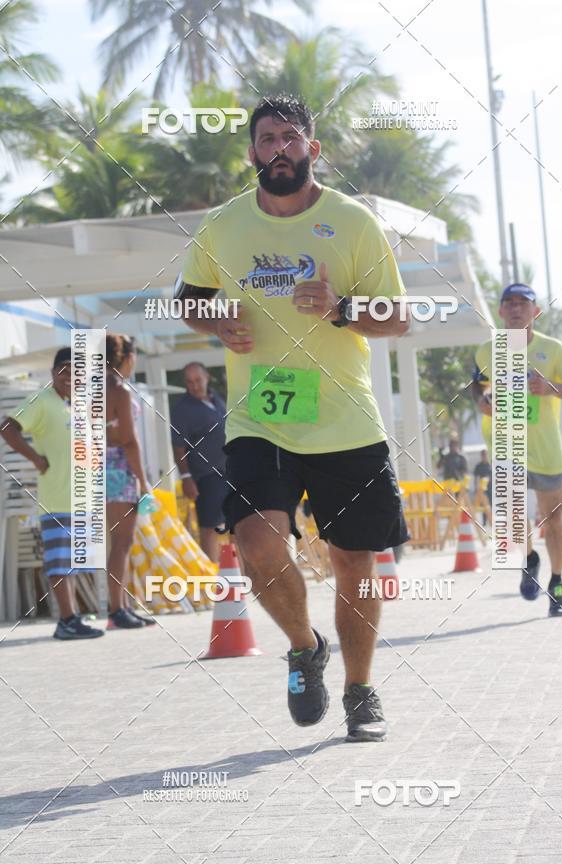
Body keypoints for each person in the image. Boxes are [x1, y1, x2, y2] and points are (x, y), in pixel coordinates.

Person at [176, 94, 411, 742]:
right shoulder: (223, 226)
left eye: (289, 137)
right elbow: (189, 301)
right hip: (262, 417)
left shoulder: (354, 222)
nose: (277, 148)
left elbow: (398, 316)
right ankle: (305, 647)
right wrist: (216, 321)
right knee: (255, 544)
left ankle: (359, 690)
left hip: (344, 419)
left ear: (312, 148)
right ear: (252, 152)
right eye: (266, 139)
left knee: (354, 563)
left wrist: (342, 309)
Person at [472, 283, 562, 616]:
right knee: (514, 516)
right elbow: (477, 387)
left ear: (535, 311)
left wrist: (551, 388)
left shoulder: (553, 350)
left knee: (554, 520)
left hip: (546, 450)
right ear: (500, 311)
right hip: (506, 448)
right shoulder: (486, 351)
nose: (515, 309)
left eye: (523, 303)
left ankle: (557, 581)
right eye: (509, 303)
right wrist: (483, 401)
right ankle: (529, 558)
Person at [0, 348, 104, 639]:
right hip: (57, 498)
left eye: (76, 371)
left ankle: (72, 619)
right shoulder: (41, 400)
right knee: (59, 561)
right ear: (53, 372)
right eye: (64, 369)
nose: (70, 376)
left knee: (71, 562)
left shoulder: (73, 405)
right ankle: (67, 620)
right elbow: (7, 427)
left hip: (79, 498)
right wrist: (36, 459)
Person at [105, 334, 155, 628]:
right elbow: (129, 440)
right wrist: (144, 481)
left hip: (95, 466)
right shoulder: (119, 390)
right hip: (119, 468)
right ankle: (117, 609)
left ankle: (121, 605)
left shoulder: (91, 389)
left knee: (117, 542)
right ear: (127, 357)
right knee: (122, 542)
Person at [170, 362, 228, 562]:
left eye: (198, 380)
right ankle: (210, 574)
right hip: (206, 475)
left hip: (229, 470)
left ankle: (237, 571)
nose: (194, 385)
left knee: (236, 522)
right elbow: (178, 447)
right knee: (210, 526)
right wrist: (186, 477)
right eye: (189, 382)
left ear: (207, 377)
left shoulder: (216, 398)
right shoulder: (181, 410)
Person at [473, 449, 492, 523]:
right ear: (481, 456)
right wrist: (476, 488)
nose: (484, 456)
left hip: (490, 488)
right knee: (484, 504)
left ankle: (491, 520)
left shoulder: (490, 465)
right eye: (483, 455)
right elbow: (476, 477)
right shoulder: (479, 466)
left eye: (485, 455)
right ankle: (484, 520)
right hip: (482, 488)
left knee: (491, 504)